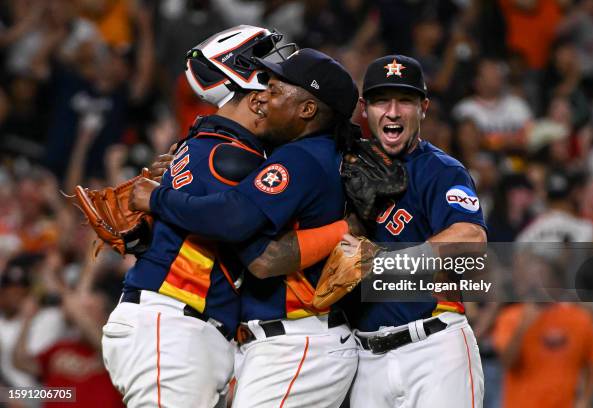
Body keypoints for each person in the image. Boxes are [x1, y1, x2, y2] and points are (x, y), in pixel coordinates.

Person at [129, 48, 360, 407]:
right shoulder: (314, 153)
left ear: (307, 110)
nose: (263, 96)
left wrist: (159, 199)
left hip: (298, 340)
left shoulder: (300, 157)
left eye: (276, 90)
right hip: (281, 341)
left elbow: (253, 246)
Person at [101, 25, 296, 408]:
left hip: (187, 329)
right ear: (253, 96)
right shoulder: (231, 156)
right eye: (273, 73)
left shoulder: (210, 146)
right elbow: (241, 228)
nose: (284, 86)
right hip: (175, 328)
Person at [339, 55, 487, 407]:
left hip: (434, 348)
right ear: (364, 108)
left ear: (423, 107)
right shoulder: (342, 166)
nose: (392, 112)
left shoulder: (440, 170)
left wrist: (385, 264)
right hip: (364, 358)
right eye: (380, 101)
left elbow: (472, 239)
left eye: (404, 100)